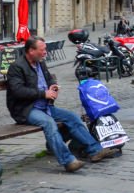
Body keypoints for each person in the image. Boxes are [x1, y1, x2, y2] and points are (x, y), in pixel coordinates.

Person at [6, 36, 114, 172]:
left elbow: (49, 79)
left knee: (72, 118)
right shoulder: (17, 67)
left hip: (46, 106)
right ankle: (68, 161)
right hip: (26, 109)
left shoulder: (40, 63)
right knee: (49, 123)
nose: (45, 52)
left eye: (45, 49)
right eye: (42, 49)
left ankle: (95, 150)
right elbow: (17, 91)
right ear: (31, 51)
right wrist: (43, 94)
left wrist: (53, 87)